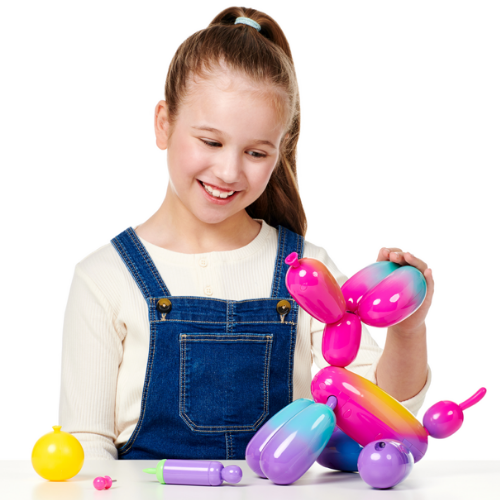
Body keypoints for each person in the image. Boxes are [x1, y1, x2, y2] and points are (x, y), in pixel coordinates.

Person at [59, 6, 433, 461]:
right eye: (211, 141)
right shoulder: (105, 277)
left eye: (256, 152)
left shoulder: (307, 274)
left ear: (280, 151)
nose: (229, 171)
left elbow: (383, 410)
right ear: (163, 123)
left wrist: (408, 330)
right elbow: (86, 446)